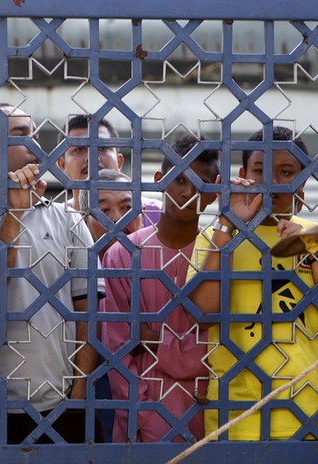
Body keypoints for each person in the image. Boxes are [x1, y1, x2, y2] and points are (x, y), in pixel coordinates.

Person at [188, 126, 318, 440]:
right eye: (261, 170)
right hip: (237, 418)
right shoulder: (214, 237)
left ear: (303, 180)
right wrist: (227, 226)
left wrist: (312, 249)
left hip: (317, 417)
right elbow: (202, 312)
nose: (273, 181)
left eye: (286, 172)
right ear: (244, 174)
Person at [0, 104, 104, 443]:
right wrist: (14, 215)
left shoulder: (67, 221)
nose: (35, 143)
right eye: (21, 134)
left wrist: (78, 395)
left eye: (37, 134)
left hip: (58, 407)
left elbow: (87, 314)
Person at [100, 135, 220, 442]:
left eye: (200, 183)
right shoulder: (125, 253)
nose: (188, 192)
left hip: (211, 410)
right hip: (147, 414)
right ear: (159, 180)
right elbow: (119, 346)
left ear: (214, 192)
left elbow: (221, 345)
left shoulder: (220, 254)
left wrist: (155, 341)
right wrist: (139, 414)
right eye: (179, 178)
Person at [58, 115, 162, 226]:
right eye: (79, 149)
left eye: (103, 148)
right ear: (62, 165)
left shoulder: (158, 214)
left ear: (119, 161)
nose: (92, 158)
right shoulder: (56, 220)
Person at [77, 169, 144, 258]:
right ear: (85, 222)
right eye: (104, 210)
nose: (117, 218)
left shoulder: (159, 261)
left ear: (143, 215)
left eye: (127, 208)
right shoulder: (71, 266)